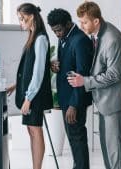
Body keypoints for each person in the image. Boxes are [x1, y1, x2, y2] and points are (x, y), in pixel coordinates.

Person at [68, 1, 121, 169]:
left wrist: (85, 81)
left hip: (113, 102)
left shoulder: (112, 39)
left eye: (84, 22)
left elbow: (114, 75)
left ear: (96, 21)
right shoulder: (97, 34)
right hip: (104, 101)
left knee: (114, 150)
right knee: (107, 147)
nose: (81, 26)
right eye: (80, 21)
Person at [7, 3, 53, 169]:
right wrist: (15, 85)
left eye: (22, 19)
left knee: (36, 130)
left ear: (31, 16)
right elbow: (28, 69)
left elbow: (38, 73)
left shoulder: (40, 38)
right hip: (30, 94)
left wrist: (28, 98)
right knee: (31, 131)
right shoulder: (33, 36)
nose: (21, 23)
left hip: (35, 96)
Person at [47, 8, 93, 169]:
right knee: (73, 137)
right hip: (66, 97)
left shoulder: (80, 40)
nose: (57, 34)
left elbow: (82, 74)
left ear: (68, 23)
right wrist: (55, 66)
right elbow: (68, 64)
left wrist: (74, 104)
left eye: (59, 30)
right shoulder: (65, 37)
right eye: (54, 31)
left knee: (77, 137)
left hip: (76, 99)